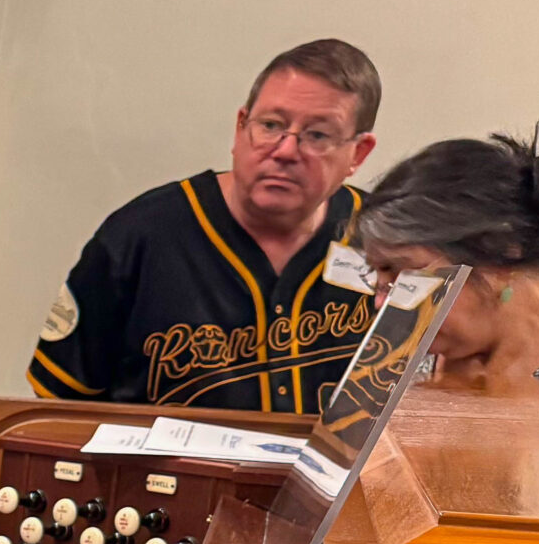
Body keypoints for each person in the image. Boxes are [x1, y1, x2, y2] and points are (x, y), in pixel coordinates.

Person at [28, 38, 383, 412]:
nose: (285, 151)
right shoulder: (139, 237)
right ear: (240, 128)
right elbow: (61, 408)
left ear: (358, 154)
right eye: (271, 125)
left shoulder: (386, 242)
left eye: (318, 135)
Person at [355, 132, 539, 396]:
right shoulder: (414, 355)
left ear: (501, 254)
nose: (381, 303)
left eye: (402, 272)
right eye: (380, 277)